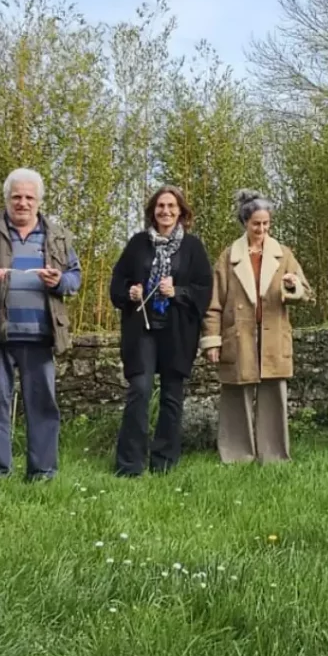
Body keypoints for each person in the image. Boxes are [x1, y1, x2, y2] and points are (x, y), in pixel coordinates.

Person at [0, 168, 81, 482]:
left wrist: (59, 281)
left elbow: (75, 277)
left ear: (39, 200)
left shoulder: (58, 234)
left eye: (29, 197)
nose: (23, 203)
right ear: (6, 198)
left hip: (41, 335)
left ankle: (42, 472)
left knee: (43, 405)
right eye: (17, 196)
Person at [202, 189, 310, 464]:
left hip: (274, 336)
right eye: (256, 224)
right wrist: (212, 340)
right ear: (244, 223)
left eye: (266, 223)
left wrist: (293, 286)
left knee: (274, 396)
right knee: (236, 395)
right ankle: (237, 456)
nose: (261, 229)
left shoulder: (283, 254)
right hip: (239, 336)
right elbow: (214, 303)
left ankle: (273, 456)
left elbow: (307, 293)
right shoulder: (228, 257)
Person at [110, 186, 212, 476]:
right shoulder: (138, 244)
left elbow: (204, 289)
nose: (165, 211)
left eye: (171, 206)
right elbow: (118, 281)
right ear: (152, 211)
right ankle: (130, 464)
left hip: (178, 332)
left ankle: (164, 463)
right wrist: (129, 291)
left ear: (181, 211)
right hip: (141, 328)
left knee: (171, 396)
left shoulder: (193, 247)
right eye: (160, 206)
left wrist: (177, 291)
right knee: (139, 391)